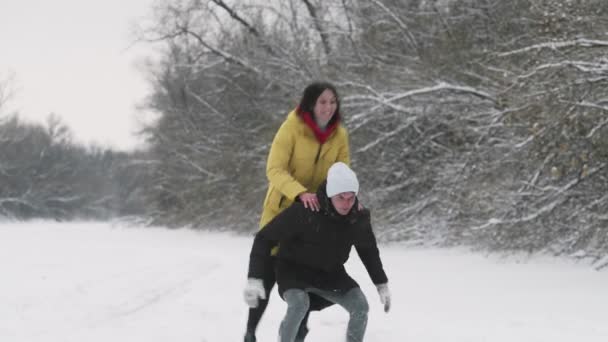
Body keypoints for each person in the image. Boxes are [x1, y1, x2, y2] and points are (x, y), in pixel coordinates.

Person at [243, 82, 351, 342]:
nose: (328, 107)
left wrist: (338, 201)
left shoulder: (340, 135)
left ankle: (298, 333)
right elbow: (275, 170)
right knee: (268, 274)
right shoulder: (291, 128)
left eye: (332, 102)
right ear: (311, 103)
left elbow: (341, 175)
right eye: (322, 102)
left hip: (315, 217)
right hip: (281, 209)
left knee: (303, 279)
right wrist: (300, 193)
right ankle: (250, 333)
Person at [244, 162, 391, 342]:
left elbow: (368, 250)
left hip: (330, 274)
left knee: (360, 306)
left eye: (351, 197)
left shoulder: (357, 218)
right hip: (294, 271)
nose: (346, 203)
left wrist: (381, 283)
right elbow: (264, 238)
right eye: (340, 197)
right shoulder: (304, 211)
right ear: (330, 195)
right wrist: (254, 278)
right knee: (299, 304)